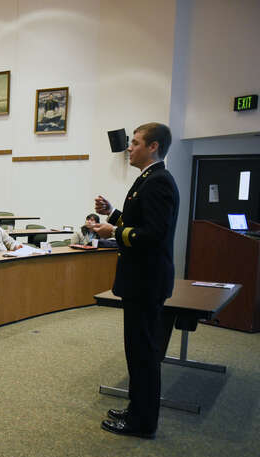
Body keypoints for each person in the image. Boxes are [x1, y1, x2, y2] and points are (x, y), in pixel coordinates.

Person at [91, 122, 179, 439]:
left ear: (153, 147)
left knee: (143, 354)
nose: (130, 147)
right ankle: (136, 408)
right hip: (142, 280)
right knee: (137, 352)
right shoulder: (148, 180)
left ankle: (142, 422)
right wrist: (114, 213)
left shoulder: (158, 182)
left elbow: (153, 235)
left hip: (146, 280)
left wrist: (112, 232)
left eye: (137, 142)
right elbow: (138, 222)